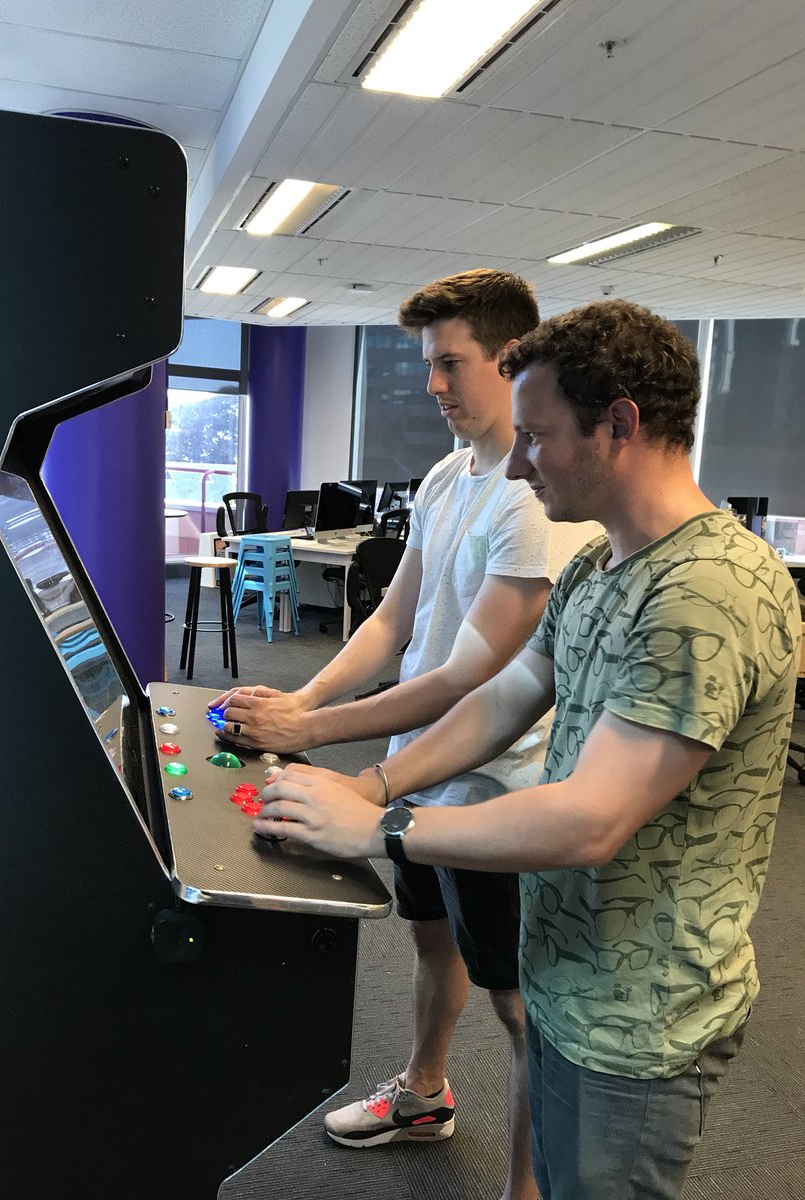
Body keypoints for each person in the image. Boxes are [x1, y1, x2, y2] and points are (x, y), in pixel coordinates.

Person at [254, 299, 802, 1200]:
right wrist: (375, 784)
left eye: (538, 437)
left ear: (619, 424)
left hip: (636, 1011)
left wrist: (382, 829)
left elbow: (591, 819)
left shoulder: (705, 590)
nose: (517, 462)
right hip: (567, 966)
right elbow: (501, 700)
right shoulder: (598, 564)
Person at [212, 269, 596, 1200]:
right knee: (431, 942)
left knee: (520, 1006)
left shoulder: (531, 502)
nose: (432, 384)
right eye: (428, 364)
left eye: (449, 363)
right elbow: (392, 621)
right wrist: (303, 698)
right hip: (421, 775)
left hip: (497, 794)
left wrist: (311, 726)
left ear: (510, 359)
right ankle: (425, 1093)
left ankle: (524, 1189)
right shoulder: (446, 476)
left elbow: (466, 676)